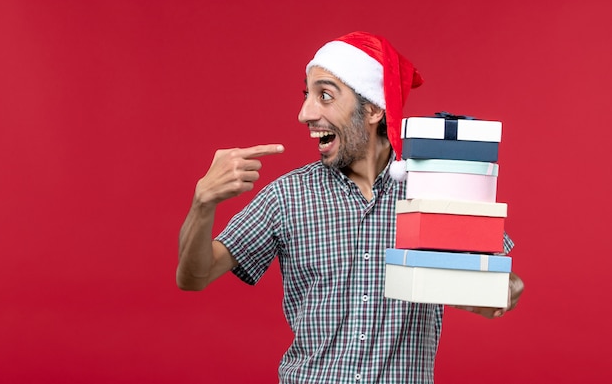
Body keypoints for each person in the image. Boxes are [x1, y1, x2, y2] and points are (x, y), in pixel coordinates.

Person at [177, 31, 524, 384]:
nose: (305, 114)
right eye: (307, 95)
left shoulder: (433, 189)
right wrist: (202, 203)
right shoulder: (288, 195)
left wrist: (497, 291)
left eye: (324, 96)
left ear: (373, 108)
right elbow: (193, 277)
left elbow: (497, 283)